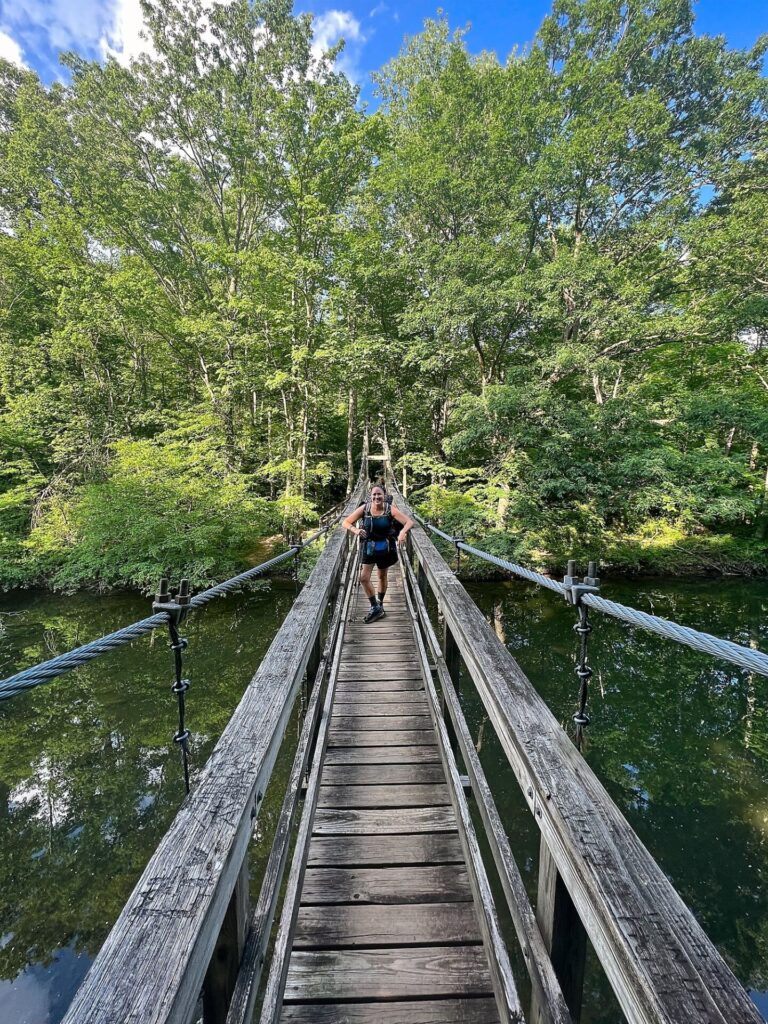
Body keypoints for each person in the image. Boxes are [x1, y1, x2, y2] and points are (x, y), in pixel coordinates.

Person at [342, 484, 414, 623]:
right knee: (363, 578)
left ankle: (379, 605)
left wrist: (402, 533)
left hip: (385, 548)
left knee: (382, 575)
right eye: (374, 494)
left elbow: (409, 522)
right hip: (369, 547)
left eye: (379, 494)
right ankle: (375, 606)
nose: (376, 497)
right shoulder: (365, 508)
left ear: (384, 496)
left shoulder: (389, 509)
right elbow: (345, 522)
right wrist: (355, 530)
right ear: (370, 496)